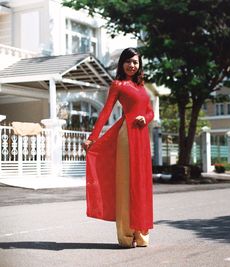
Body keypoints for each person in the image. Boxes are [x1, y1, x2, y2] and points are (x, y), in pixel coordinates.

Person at [83, 47, 154, 248]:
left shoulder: (141, 86)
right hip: (127, 136)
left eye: (135, 62)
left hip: (142, 136)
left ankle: (141, 235)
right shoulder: (118, 84)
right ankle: (126, 235)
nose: (132, 65)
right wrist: (92, 137)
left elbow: (150, 112)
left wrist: (145, 118)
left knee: (141, 184)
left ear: (139, 65)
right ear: (122, 63)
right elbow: (106, 111)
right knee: (126, 183)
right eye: (128, 61)